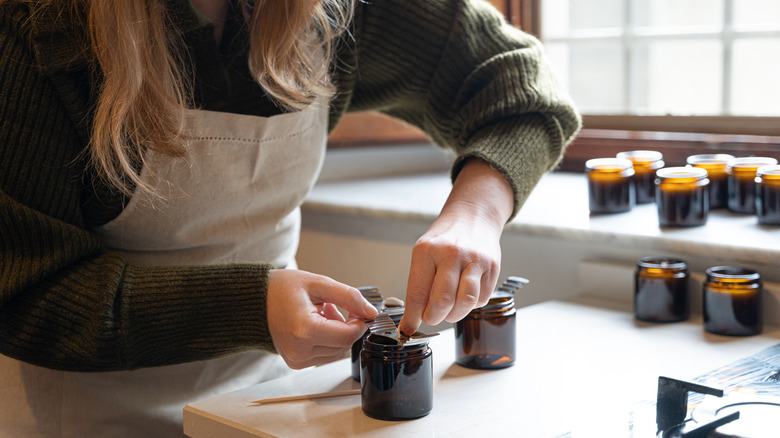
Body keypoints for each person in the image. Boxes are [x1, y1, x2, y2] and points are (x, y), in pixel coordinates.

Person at [0, 0, 581, 436]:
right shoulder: (38, 26)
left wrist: (475, 214)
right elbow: (26, 293)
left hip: (270, 399)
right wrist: (252, 306)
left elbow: (521, 86)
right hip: (81, 411)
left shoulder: (340, 10)